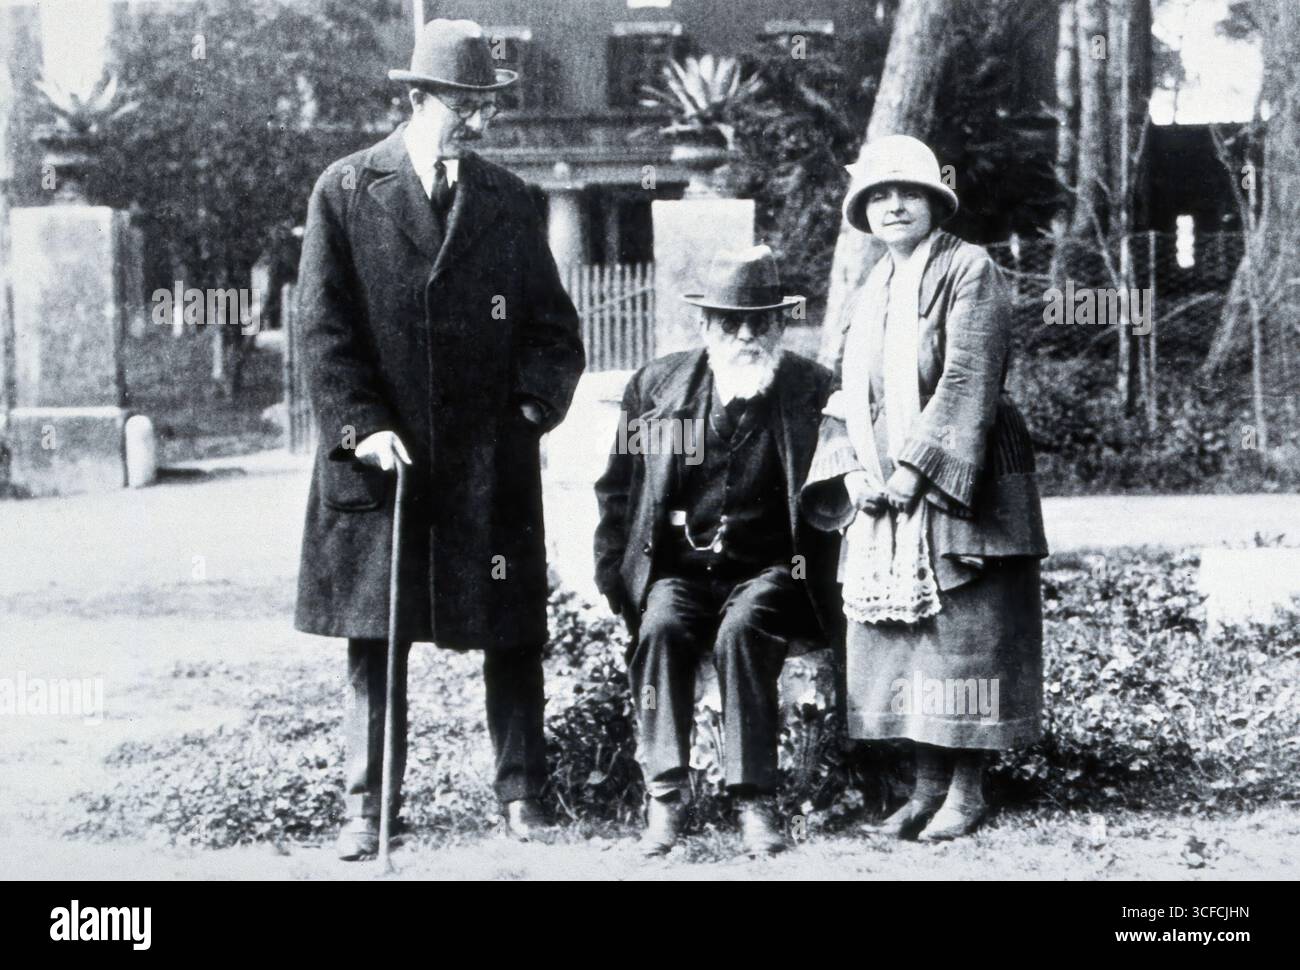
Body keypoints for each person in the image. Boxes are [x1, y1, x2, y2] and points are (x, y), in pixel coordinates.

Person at [293, 19, 584, 859]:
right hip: (383, 462)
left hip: (488, 463)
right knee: (375, 634)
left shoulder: (509, 201)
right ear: (417, 98)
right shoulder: (346, 191)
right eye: (463, 105)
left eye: (488, 106)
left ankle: (522, 794)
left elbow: (552, 333)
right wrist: (364, 429)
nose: (480, 122)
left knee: (509, 630)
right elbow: (324, 334)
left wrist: (527, 413)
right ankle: (368, 806)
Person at [801, 135, 1048, 840]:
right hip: (883, 485)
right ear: (863, 210)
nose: (893, 204)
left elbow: (971, 373)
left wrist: (914, 470)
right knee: (902, 638)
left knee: (963, 633)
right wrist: (855, 473)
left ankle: (967, 790)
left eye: (906, 192)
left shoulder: (971, 270)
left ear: (936, 200)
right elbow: (843, 395)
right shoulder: (866, 289)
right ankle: (925, 785)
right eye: (877, 195)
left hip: (961, 478)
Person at [594, 246, 839, 856]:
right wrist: (614, 575)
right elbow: (617, 490)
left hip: (773, 569)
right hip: (680, 568)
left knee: (745, 628)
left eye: (762, 320)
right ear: (704, 325)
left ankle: (755, 801)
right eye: (731, 321)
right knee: (662, 625)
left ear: (782, 323)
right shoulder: (656, 386)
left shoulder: (811, 390)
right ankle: (665, 799)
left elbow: (839, 491)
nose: (747, 334)